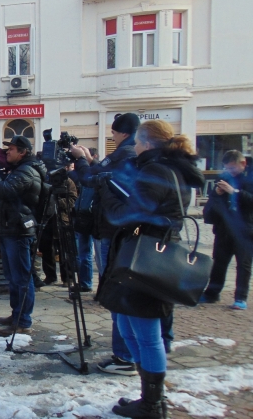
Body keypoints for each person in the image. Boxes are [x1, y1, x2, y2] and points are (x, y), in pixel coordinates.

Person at [98, 119, 204, 418]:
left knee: (145, 333)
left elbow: (128, 215)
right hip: (150, 253)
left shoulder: (157, 170)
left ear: (144, 142)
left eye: (137, 143)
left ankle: (153, 404)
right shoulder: (171, 168)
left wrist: (108, 192)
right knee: (132, 328)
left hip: (145, 258)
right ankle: (150, 400)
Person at [70, 112, 141, 375]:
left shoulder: (124, 154)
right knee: (121, 294)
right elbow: (101, 175)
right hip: (119, 230)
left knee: (115, 293)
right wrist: (90, 161)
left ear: (121, 132)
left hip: (113, 232)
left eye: (113, 132)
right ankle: (128, 352)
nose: (112, 136)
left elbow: (91, 179)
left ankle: (124, 356)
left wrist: (81, 161)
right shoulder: (130, 156)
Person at [0, 136, 46, 337]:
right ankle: (16, 315)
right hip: (10, 228)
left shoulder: (27, 171)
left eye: (11, 149)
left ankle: (23, 321)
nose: (7, 152)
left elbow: (5, 191)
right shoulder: (18, 170)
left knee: (21, 278)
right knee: (13, 278)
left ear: (23, 152)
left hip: (19, 231)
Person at [201, 150, 253, 310]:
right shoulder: (223, 178)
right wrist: (217, 193)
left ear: (243, 164)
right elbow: (213, 202)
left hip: (245, 230)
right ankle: (212, 293)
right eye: (226, 168)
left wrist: (234, 192)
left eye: (232, 168)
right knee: (219, 263)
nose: (229, 172)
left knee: (243, 265)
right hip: (224, 228)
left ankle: (240, 298)